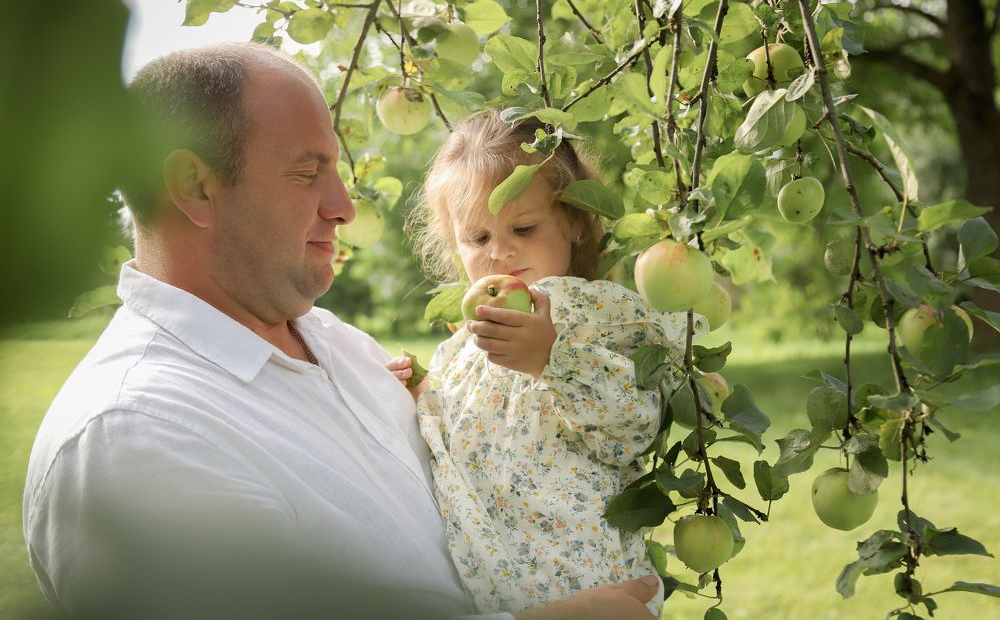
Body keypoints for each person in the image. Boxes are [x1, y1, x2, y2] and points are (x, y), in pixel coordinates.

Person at [21, 43, 661, 620]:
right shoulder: (135, 435)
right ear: (195, 187)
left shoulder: (340, 344)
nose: (346, 207)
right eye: (306, 173)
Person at [385, 110, 706, 616]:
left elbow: (633, 427)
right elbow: (455, 448)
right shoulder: (459, 350)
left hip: (587, 579)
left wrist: (551, 359)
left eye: (524, 227)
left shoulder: (595, 313)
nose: (500, 252)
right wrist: (421, 395)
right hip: (496, 587)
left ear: (574, 221)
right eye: (478, 238)